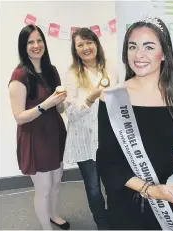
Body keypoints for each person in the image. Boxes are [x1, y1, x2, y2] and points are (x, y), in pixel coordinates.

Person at [96, 17, 173, 230]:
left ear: (165, 53)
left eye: (149, 47)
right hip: (126, 202)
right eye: (133, 46)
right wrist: (150, 189)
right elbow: (107, 161)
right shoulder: (112, 98)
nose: (139, 55)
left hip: (169, 199)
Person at [8, 25, 69, 230]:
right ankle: (46, 227)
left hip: (54, 133)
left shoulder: (51, 71)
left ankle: (53, 214)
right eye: (30, 42)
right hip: (35, 137)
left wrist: (61, 101)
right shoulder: (20, 76)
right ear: (23, 47)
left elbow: (59, 109)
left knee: (57, 181)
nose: (36, 45)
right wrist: (46, 105)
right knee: (43, 188)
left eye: (39, 40)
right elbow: (19, 117)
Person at [62, 28, 116, 230]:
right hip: (84, 139)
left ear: (96, 44)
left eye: (89, 42)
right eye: (80, 44)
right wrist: (90, 99)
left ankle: (115, 218)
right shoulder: (72, 75)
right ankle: (102, 224)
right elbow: (71, 113)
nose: (86, 48)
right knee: (93, 188)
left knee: (112, 183)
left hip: (109, 138)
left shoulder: (110, 68)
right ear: (75, 50)